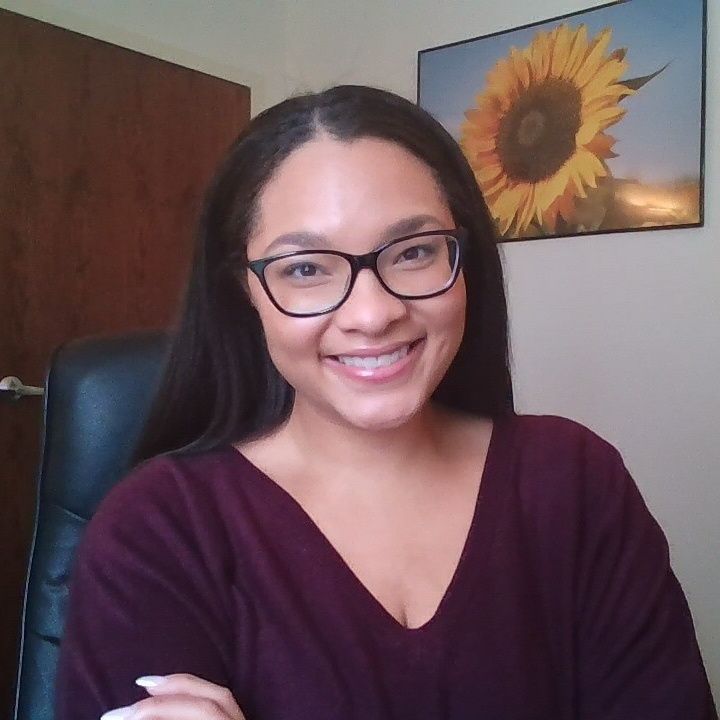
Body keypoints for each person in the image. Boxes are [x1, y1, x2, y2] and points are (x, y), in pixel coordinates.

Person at [55, 85, 716, 720]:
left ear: (465, 260)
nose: (373, 315)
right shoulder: (159, 531)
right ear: (244, 291)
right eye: (306, 268)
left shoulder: (574, 481)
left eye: (415, 252)